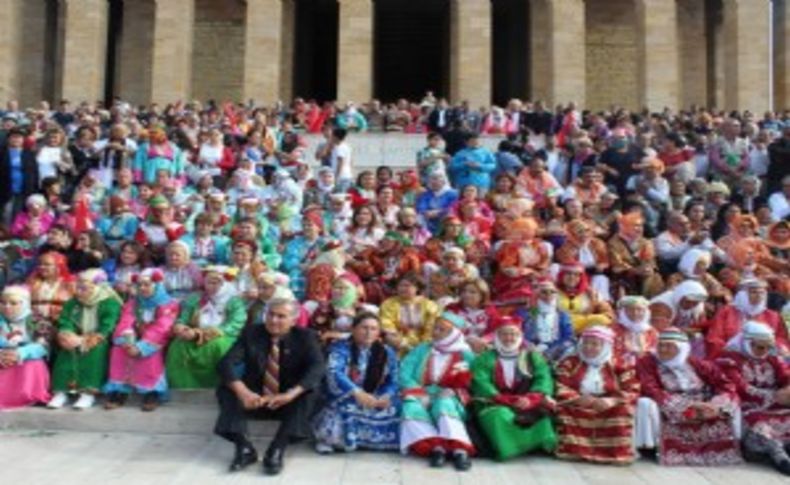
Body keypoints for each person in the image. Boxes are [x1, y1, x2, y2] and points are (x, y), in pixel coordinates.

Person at [214, 298, 325, 475]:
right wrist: (244, 392)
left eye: (281, 316)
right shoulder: (251, 333)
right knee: (226, 387)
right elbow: (225, 363)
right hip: (255, 399)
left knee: (312, 390)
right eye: (271, 315)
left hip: (288, 401)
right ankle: (244, 447)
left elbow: (318, 367)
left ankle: (277, 448)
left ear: (293, 320)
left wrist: (290, 394)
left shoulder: (306, 337)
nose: (274, 320)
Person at [636, 327, 742, 466]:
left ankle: (735, 445)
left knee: (730, 402)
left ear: (681, 348)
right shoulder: (648, 362)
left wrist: (715, 405)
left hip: (705, 405)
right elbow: (650, 389)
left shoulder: (696, 363)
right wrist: (687, 405)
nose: (663, 350)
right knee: (647, 402)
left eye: (669, 346)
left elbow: (725, 384)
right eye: (661, 345)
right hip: (673, 406)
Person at [470, 317, 558, 461]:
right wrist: (504, 399)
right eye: (504, 334)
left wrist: (531, 398)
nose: (509, 338)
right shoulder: (484, 358)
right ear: (497, 337)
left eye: (513, 334)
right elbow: (480, 382)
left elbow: (543, 377)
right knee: (499, 415)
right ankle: (511, 448)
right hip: (494, 402)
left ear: (520, 337)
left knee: (542, 412)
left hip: (527, 400)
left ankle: (534, 444)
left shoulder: (532, 356)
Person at [313, 312, 400, 453]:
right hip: (346, 395)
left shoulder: (386, 352)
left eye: (373, 329)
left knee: (395, 407)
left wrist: (386, 395)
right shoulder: (340, 348)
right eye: (364, 328)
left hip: (374, 396)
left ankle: (365, 440)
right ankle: (336, 440)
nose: (368, 333)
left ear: (379, 332)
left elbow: (394, 379)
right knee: (346, 409)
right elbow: (334, 372)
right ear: (353, 329)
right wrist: (357, 392)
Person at [399, 311, 475, 470]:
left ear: (454, 334)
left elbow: (473, 380)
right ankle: (436, 448)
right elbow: (405, 371)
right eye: (435, 328)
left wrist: (454, 391)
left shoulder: (466, 354)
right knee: (410, 405)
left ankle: (459, 450)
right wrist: (419, 393)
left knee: (444, 404)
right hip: (422, 393)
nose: (436, 332)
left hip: (450, 396)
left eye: (442, 330)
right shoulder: (422, 349)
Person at [554, 326, 640, 464]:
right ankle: (576, 452)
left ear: (605, 346)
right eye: (586, 343)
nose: (589, 347)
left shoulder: (620, 363)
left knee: (621, 412)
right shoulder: (570, 362)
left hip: (609, 403)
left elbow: (632, 388)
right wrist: (578, 399)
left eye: (595, 344)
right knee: (565, 411)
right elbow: (560, 385)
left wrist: (612, 400)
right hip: (579, 401)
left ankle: (613, 454)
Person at [717, 322, 790, 475]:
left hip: (776, 404)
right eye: (759, 347)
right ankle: (781, 459)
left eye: (768, 347)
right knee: (760, 423)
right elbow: (739, 386)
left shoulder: (771, 358)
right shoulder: (729, 359)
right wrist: (775, 396)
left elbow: (785, 376)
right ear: (747, 343)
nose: (764, 351)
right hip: (747, 405)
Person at [104, 269, 179, 411]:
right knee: (118, 350)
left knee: (151, 354)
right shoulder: (133, 303)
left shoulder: (169, 304)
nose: (143, 288)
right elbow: (125, 322)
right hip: (134, 338)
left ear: (157, 285)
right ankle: (120, 390)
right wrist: (127, 340)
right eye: (139, 285)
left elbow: (162, 327)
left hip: (157, 340)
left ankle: (151, 392)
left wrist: (141, 347)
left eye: (147, 284)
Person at [48, 269, 123, 409]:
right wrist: (67, 334)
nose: (78, 292)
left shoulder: (110, 302)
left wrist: (88, 339)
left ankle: (88, 393)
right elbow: (65, 320)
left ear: (97, 287)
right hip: (75, 337)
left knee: (94, 351)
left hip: (99, 338)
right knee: (65, 350)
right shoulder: (73, 302)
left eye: (84, 288)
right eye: (78, 287)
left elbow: (108, 325)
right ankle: (62, 392)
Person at [166, 266, 247, 389]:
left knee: (217, 346)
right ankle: (182, 388)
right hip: (194, 333)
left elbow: (236, 323)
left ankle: (218, 387)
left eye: (216, 283)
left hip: (223, 336)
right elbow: (183, 317)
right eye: (209, 282)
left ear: (225, 284)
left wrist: (204, 334)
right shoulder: (196, 298)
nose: (211, 286)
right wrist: (180, 326)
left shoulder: (234, 301)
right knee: (178, 345)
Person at [706, 279, 789, 359]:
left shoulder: (772, 315)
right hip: (732, 356)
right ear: (742, 294)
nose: (759, 296)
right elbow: (715, 337)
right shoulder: (726, 312)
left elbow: (781, 338)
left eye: (762, 293)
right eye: (754, 292)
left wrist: (778, 347)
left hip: (765, 357)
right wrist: (727, 351)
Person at [0, 286, 51, 409]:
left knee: (35, 363)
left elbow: (43, 344)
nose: (7, 307)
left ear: (24, 303)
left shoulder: (37, 320)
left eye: (13, 303)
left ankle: (28, 395)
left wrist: (20, 353)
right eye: (3, 302)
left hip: (25, 357)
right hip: (2, 356)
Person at [380, 273, 440, 355]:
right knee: (389, 337)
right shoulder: (389, 303)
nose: (403, 288)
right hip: (399, 342)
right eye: (400, 285)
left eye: (407, 286)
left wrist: (422, 346)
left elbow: (431, 328)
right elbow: (387, 325)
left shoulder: (429, 305)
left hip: (423, 343)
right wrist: (404, 344)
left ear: (417, 288)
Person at [518, 279, 575, 362]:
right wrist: (529, 346)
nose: (549, 295)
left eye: (552, 292)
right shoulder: (525, 313)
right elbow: (517, 332)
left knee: (570, 348)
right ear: (537, 294)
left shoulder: (562, 315)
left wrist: (550, 351)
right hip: (531, 349)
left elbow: (569, 337)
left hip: (556, 349)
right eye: (544, 292)